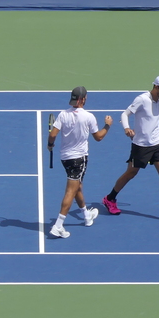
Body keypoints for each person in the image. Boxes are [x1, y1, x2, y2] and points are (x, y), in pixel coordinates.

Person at [102, 76, 159, 223]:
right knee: (131, 173)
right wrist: (127, 128)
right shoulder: (141, 99)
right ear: (156, 87)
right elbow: (125, 114)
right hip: (141, 145)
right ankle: (110, 199)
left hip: (157, 143)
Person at [48, 86, 113, 239]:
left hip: (65, 158)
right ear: (83, 99)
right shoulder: (89, 117)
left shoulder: (63, 115)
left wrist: (50, 145)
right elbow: (98, 137)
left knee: (77, 186)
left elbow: (52, 135)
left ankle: (86, 216)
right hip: (79, 159)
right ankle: (58, 225)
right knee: (71, 190)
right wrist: (107, 125)